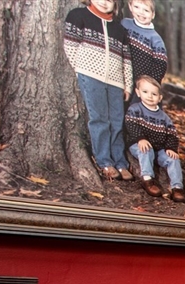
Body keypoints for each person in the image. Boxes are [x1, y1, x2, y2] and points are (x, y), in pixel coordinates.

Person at [63, 0, 134, 181]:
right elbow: (70, 45)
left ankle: (120, 162)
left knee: (117, 121)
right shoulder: (79, 16)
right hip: (91, 76)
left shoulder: (119, 30)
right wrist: (82, 69)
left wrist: (128, 84)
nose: (104, 2)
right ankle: (104, 161)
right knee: (100, 119)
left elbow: (126, 60)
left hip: (116, 82)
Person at [125, 75, 185, 202]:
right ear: (138, 92)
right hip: (139, 145)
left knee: (173, 159)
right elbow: (130, 124)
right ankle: (147, 180)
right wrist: (140, 138)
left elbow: (172, 134)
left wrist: (171, 148)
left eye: (154, 94)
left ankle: (177, 187)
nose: (149, 96)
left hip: (159, 149)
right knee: (146, 150)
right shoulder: (135, 109)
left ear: (160, 98)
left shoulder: (164, 117)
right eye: (145, 92)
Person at [122, 0, 168, 85]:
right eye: (137, 7)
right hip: (119, 77)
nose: (141, 12)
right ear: (130, 6)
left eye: (146, 10)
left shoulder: (156, 40)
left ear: (153, 14)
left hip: (140, 85)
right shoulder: (124, 24)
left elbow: (160, 66)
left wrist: (148, 85)